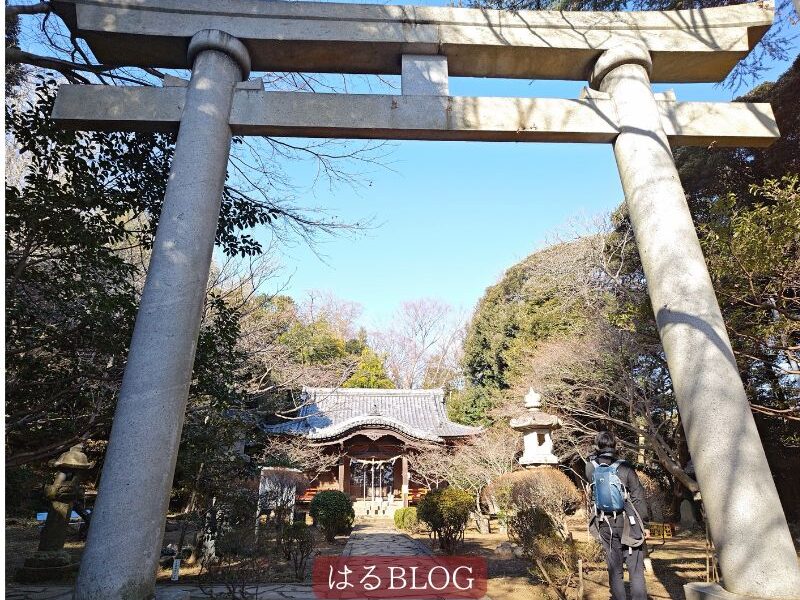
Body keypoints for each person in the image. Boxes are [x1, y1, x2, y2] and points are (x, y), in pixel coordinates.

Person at [586, 431, 649, 600]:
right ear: (615, 445)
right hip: (629, 522)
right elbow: (638, 496)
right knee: (635, 568)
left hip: (604, 522)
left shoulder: (590, 467)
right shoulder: (625, 466)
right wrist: (645, 524)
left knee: (614, 568)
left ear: (597, 445)